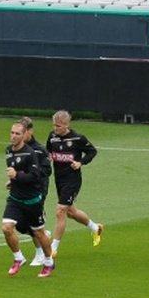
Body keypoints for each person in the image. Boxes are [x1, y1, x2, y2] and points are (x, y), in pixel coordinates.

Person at [46, 110, 103, 257]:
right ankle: (95, 228)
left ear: (66, 125)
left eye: (58, 126)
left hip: (72, 180)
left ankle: (53, 248)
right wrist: (49, 157)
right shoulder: (52, 137)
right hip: (59, 179)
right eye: (54, 125)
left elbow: (92, 152)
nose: (55, 129)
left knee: (60, 211)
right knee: (71, 212)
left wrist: (81, 163)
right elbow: (48, 151)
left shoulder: (78, 138)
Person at [2, 121, 55, 278]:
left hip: (32, 200)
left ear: (24, 135)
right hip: (15, 199)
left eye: (17, 133)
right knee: (6, 228)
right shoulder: (8, 151)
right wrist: (12, 182)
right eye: (12, 132)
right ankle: (19, 258)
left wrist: (16, 176)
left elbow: (35, 176)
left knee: (39, 233)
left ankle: (48, 261)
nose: (13, 136)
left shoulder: (30, 153)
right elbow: (17, 172)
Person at [20, 117, 54, 267]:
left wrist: (32, 174)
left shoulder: (40, 149)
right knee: (20, 224)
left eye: (23, 132)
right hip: (20, 189)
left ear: (30, 131)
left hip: (37, 189)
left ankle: (40, 253)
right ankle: (44, 236)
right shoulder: (16, 149)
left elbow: (47, 170)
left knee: (32, 221)